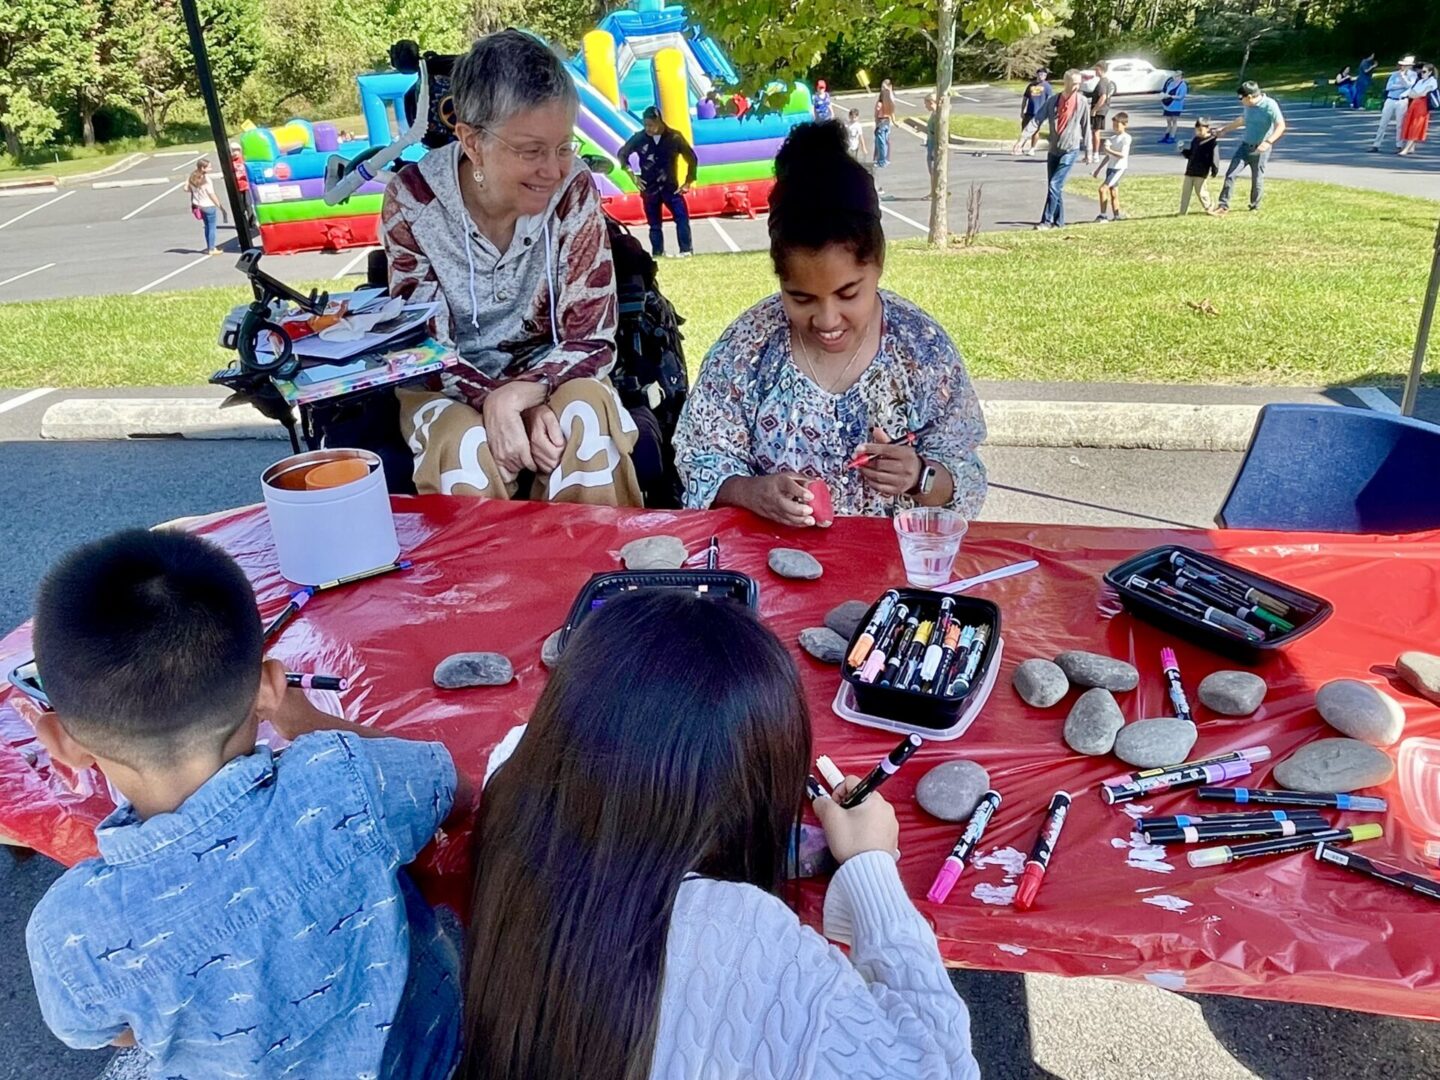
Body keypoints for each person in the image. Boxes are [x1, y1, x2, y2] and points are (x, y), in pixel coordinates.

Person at [460, 589, 981, 1080]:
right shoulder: (745, 935)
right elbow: (944, 1068)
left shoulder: (513, 808)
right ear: (755, 783)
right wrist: (871, 870)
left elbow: (519, 745)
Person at [25, 529, 464, 1079]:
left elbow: (109, 1031)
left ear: (61, 742)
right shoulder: (344, 781)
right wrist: (311, 727)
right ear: (269, 686)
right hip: (433, 1061)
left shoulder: (67, 930)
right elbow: (451, 783)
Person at [673, 121, 986, 524]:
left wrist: (919, 476)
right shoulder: (748, 349)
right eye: (800, 298)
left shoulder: (921, 350)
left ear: (878, 265)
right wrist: (752, 492)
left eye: (848, 293)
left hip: (893, 576)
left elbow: (966, 474)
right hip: (771, 572)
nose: (826, 320)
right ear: (780, 279)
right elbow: (698, 457)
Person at [381, 30, 643, 506]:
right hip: (449, 386)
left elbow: (592, 336)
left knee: (580, 418)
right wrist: (498, 404)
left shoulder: (574, 189)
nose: (555, 169)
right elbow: (427, 351)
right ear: (472, 141)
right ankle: (484, 581)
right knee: (465, 448)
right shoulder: (413, 200)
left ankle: (594, 572)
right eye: (531, 151)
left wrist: (525, 394)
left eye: (564, 146)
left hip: (556, 375)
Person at [619, 105, 699, 259]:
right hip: (649, 188)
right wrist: (631, 174)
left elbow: (692, 158)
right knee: (654, 225)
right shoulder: (640, 137)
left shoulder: (675, 137)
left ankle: (686, 250)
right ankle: (658, 253)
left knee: (682, 219)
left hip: (671, 187)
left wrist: (688, 181)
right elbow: (622, 153)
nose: (647, 128)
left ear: (659, 122)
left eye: (651, 125)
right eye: (645, 125)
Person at [1019, 69, 1092, 230]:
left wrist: (1089, 151)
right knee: (1054, 187)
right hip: (1053, 150)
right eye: (1074, 83)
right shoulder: (1053, 100)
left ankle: (1046, 221)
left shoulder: (1082, 102)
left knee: (1054, 185)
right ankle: (1059, 222)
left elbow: (1086, 127)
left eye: (1079, 84)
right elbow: (1037, 119)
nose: (1077, 87)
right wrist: (1023, 139)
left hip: (1070, 149)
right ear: (1066, 83)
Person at [1214, 81, 1286, 215]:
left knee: (1257, 178)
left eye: (1241, 98)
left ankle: (1254, 206)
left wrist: (1268, 142)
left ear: (1250, 97)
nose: (1240, 101)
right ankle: (1223, 205)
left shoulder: (1269, 105)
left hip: (1260, 149)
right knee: (1231, 174)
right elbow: (1242, 120)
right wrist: (1224, 129)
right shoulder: (1248, 106)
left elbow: (1281, 126)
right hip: (1245, 146)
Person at [1371, 56, 1417, 151]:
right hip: (1390, 99)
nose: (1403, 67)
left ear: (1410, 66)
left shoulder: (1413, 75)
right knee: (1383, 123)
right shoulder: (1395, 74)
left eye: (1406, 65)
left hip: (1402, 100)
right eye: (1402, 65)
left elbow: (1410, 85)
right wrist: (1401, 85)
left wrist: (1403, 78)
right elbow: (1388, 87)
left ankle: (1399, 145)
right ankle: (1376, 145)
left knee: (1400, 124)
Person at [1093, 111, 1131, 222]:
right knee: (1113, 192)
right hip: (1111, 167)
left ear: (1125, 125)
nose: (1115, 127)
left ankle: (1103, 215)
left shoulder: (1126, 138)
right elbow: (1108, 156)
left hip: (1119, 168)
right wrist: (1098, 169)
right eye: (1114, 125)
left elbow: (1122, 155)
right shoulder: (1112, 138)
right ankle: (1117, 216)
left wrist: (1108, 150)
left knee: (1102, 189)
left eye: (1117, 125)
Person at [1179, 117, 1220, 215]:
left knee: (1201, 192)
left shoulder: (1211, 142)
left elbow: (1215, 157)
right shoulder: (1195, 140)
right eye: (1196, 130)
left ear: (1207, 128)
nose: (1198, 132)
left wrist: (1214, 169)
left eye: (1201, 130)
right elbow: (1191, 154)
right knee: (1186, 192)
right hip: (1190, 170)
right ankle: (1182, 211)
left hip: (1201, 171)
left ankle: (1209, 207)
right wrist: (1183, 151)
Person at [186, 157, 226, 255]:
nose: (211, 169)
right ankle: (212, 249)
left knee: (207, 226)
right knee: (212, 227)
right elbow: (211, 194)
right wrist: (220, 206)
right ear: (202, 168)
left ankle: (209, 246)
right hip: (208, 205)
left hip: (198, 205)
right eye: (209, 167)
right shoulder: (206, 179)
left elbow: (186, 188)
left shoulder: (192, 177)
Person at [1398, 62, 1437, 156]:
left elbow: (1424, 93)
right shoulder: (1420, 81)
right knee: (1410, 124)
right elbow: (1411, 93)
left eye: (1424, 72)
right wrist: (1416, 94)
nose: (1422, 74)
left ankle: (1406, 148)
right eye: (1421, 72)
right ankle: (1411, 147)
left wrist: (1416, 94)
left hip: (1422, 105)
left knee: (1416, 125)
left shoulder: (1432, 81)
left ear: (1430, 72)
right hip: (1414, 103)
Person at [1087, 61, 1115, 163]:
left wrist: (1095, 110)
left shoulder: (1103, 82)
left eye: (1096, 69)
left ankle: (1095, 154)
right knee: (1094, 131)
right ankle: (1094, 153)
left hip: (1099, 110)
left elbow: (1103, 97)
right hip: (1101, 109)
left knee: (1095, 132)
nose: (1095, 71)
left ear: (1101, 70)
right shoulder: (1105, 81)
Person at [872, 78, 895, 193]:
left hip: (884, 121)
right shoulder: (883, 101)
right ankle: (882, 159)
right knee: (882, 141)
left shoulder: (884, 101)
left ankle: (883, 159)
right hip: (883, 121)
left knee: (883, 141)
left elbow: (889, 110)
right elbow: (879, 113)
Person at [1160, 69, 1188, 142]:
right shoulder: (1171, 83)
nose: (1176, 78)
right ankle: (1166, 136)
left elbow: (1181, 96)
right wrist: (1164, 96)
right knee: (1168, 122)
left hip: (1176, 106)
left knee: (1174, 121)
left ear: (1181, 77)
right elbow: (1165, 91)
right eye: (1175, 76)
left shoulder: (1183, 85)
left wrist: (1171, 96)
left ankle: (1172, 137)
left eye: (1178, 76)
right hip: (1168, 105)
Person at [924, 93, 941, 182]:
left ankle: (934, 191)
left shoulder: (936, 116)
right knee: (931, 169)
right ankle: (932, 191)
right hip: (930, 143)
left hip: (933, 144)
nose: (925, 106)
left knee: (933, 168)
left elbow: (937, 133)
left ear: (931, 102)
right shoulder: (933, 114)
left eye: (925, 103)